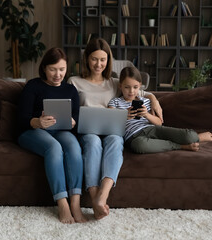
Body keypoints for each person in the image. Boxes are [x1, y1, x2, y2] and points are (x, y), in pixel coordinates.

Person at [68, 37, 163, 220]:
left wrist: (154, 100)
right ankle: (95, 198)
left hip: (112, 129)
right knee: (93, 142)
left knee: (116, 140)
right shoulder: (74, 81)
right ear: (87, 58)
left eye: (103, 59)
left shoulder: (113, 82)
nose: (98, 64)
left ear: (108, 60)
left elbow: (140, 91)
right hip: (88, 131)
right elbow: (70, 108)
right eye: (94, 59)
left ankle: (103, 196)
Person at [17, 48, 87, 224]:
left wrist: (73, 121)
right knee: (54, 148)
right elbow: (21, 118)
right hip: (32, 131)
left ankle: (76, 203)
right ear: (44, 68)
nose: (58, 74)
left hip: (62, 130)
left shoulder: (71, 90)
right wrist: (37, 122)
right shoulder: (33, 86)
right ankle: (62, 203)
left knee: (74, 147)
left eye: (62, 69)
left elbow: (78, 115)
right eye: (53, 69)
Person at [108, 66, 212, 154]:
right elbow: (109, 123)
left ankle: (197, 138)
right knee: (140, 146)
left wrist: (146, 115)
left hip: (152, 129)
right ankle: (181, 146)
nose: (131, 91)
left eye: (135, 87)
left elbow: (159, 123)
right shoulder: (115, 102)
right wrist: (124, 116)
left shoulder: (146, 101)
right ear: (120, 86)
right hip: (133, 136)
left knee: (190, 136)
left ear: (140, 86)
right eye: (127, 87)